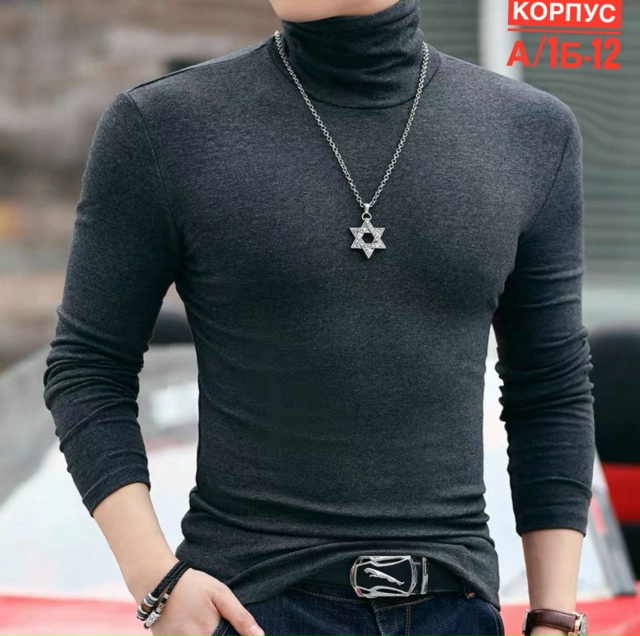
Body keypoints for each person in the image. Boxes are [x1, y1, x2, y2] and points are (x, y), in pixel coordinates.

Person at [42, 0, 596, 634]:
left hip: (456, 605)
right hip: (250, 607)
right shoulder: (165, 126)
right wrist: (155, 579)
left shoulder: (532, 131)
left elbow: (549, 388)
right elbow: (87, 369)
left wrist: (554, 616)